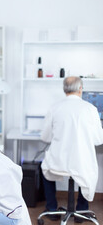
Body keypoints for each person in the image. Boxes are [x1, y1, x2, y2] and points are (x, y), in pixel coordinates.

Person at [40, 76, 103, 222]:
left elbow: (45, 137)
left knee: (42, 166)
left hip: (58, 164)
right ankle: (81, 211)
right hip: (81, 164)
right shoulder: (90, 109)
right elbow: (99, 140)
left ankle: (52, 209)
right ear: (80, 89)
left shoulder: (54, 108)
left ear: (64, 89)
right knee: (84, 167)